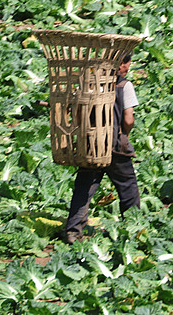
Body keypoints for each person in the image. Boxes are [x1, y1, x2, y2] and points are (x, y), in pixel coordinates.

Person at [64, 51, 140, 244]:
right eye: (128, 64)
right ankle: (133, 229)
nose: (128, 68)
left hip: (91, 144)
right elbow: (128, 118)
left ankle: (73, 231)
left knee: (84, 186)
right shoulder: (124, 85)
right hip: (115, 145)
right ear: (121, 64)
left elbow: (78, 113)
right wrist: (125, 134)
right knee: (128, 187)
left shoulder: (89, 84)